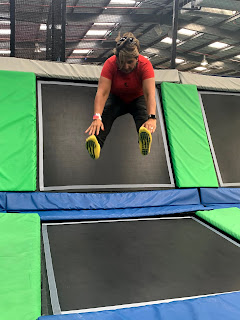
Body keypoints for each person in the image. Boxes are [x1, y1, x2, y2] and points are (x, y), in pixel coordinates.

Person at [85, 32, 157, 159]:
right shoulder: (110, 64)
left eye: (130, 62)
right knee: (105, 117)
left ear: (137, 59)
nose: (125, 66)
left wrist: (152, 117)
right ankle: (96, 143)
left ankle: (144, 139)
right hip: (117, 97)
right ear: (117, 58)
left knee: (143, 118)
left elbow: (149, 93)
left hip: (137, 98)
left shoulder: (145, 65)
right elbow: (102, 92)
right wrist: (97, 117)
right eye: (122, 62)